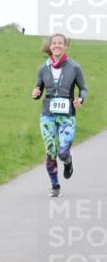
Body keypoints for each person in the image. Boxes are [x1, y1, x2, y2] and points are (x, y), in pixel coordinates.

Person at [32, 33, 87, 197]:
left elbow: (83, 88)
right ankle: (55, 186)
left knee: (63, 152)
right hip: (47, 114)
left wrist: (80, 100)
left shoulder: (74, 67)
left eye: (60, 43)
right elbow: (38, 89)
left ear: (65, 46)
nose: (56, 45)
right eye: (54, 43)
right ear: (50, 46)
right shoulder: (43, 68)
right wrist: (35, 93)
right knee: (51, 151)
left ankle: (68, 161)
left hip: (67, 115)